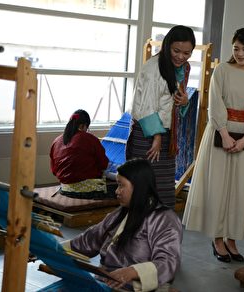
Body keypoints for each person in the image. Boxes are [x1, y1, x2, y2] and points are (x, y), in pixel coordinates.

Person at [182, 28, 244, 263]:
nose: (240, 53)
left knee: (241, 190)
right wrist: (224, 133)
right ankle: (218, 238)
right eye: (236, 48)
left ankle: (233, 238)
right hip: (220, 133)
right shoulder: (222, 70)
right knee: (219, 187)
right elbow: (215, 103)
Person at [64, 158, 182, 292]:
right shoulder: (119, 214)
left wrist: (132, 272)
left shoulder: (164, 219)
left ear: (138, 186)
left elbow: (168, 262)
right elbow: (89, 239)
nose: (116, 191)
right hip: (105, 285)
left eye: (121, 185)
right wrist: (51, 248)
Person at [126, 25, 196, 209]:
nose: (181, 57)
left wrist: (184, 101)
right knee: (144, 187)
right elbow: (147, 106)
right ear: (167, 46)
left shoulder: (178, 68)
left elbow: (169, 102)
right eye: (176, 51)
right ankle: (140, 233)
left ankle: (160, 232)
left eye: (187, 53)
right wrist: (157, 137)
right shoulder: (153, 68)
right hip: (149, 135)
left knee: (163, 188)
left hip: (164, 134)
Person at [50, 109, 112, 199]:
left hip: (65, 189)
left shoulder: (56, 141)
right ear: (83, 126)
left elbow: (54, 171)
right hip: (89, 191)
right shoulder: (90, 139)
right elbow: (104, 165)